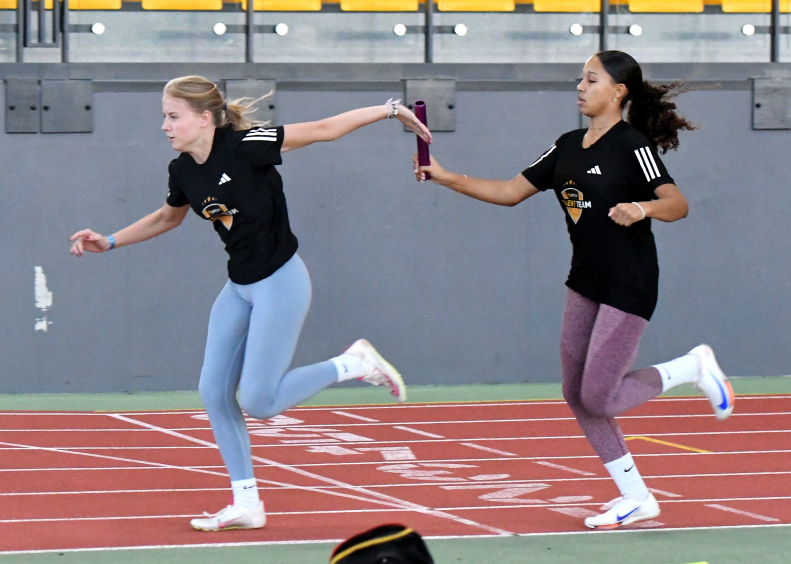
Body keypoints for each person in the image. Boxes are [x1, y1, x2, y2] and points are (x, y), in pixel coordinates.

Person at [69, 76, 432, 531]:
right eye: (164, 115)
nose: (164, 125)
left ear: (204, 119)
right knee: (215, 394)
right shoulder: (182, 169)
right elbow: (168, 217)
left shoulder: (245, 146)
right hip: (239, 288)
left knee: (259, 401)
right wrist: (111, 240)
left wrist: (390, 110)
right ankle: (247, 503)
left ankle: (353, 364)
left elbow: (322, 128)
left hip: (281, 281)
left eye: (172, 115)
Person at [414, 51, 734, 529]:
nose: (580, 87)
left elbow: (677, 203)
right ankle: (637, 497)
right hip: (584, 281)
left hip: (629, 283)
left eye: (591, 79)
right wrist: (446, 178)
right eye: (579, 79)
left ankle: (692, 366)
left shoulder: (632, 146)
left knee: (600, 397)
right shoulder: (565, 146)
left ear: (618, 91)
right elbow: (509, 191)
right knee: (576, 393)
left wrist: (642, 210)